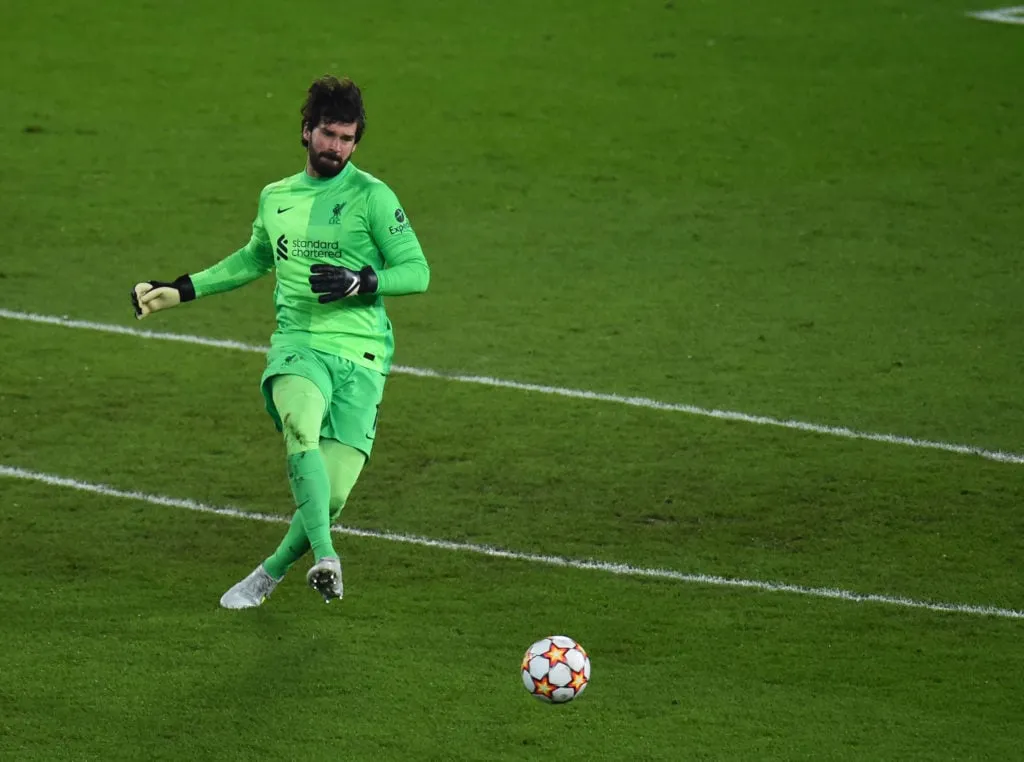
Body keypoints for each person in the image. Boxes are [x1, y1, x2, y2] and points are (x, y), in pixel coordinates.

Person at [131, 75, 430, 608]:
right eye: (328, 135)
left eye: (347, 138)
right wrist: (182, 289)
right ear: (306, 131)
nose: (336, 147)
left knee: (331, 494)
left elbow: (418, 271)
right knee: (300, 427)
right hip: (298, 345)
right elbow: (253, 257)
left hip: (363, 356)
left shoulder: (373, 198)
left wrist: (365, 280)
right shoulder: (277, 197)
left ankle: (269, 572)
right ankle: (327, 557)